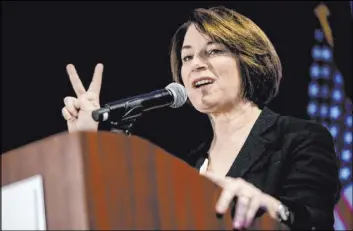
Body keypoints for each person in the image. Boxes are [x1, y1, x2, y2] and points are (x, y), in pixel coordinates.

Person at [61, 6, 341, 230]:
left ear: (249, 60)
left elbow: (313, 220)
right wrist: (88, 143)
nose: (195, 64)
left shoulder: (299, 138)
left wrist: (270, 208)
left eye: (214, 51)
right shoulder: (187, 164)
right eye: (186, 58)